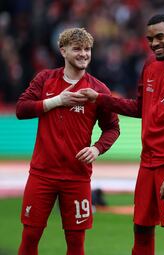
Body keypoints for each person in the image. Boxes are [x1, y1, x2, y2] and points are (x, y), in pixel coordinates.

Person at [80, 14, 164, 255]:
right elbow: (140, 107)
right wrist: (101, 99)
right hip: (148, 162)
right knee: (141, 228)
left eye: (160, 37)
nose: (154, 43)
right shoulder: (150, 65)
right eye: (150, 39)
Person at [16, 27, 120, 255]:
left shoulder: (98, 89)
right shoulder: (45, 79)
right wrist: (56, 101)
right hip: (42, 174)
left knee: (75, 243)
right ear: (63, 51)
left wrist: (96, 148)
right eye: (77, 49)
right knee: (30, 237)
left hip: (77, 176)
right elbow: (21, 109)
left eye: (87, 49)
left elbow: (112, 128)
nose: (84, 54)